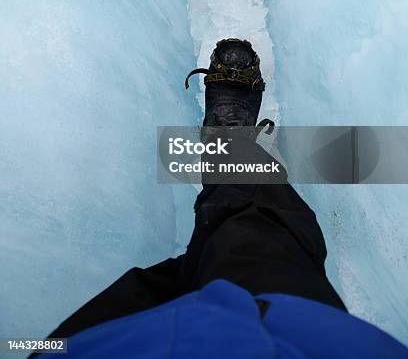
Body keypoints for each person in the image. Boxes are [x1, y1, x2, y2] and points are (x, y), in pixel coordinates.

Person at [37, 39, 408, 357]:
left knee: (184, 277)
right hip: (302, 333)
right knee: (256, 234)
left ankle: (224, 149)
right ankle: (229, 148)